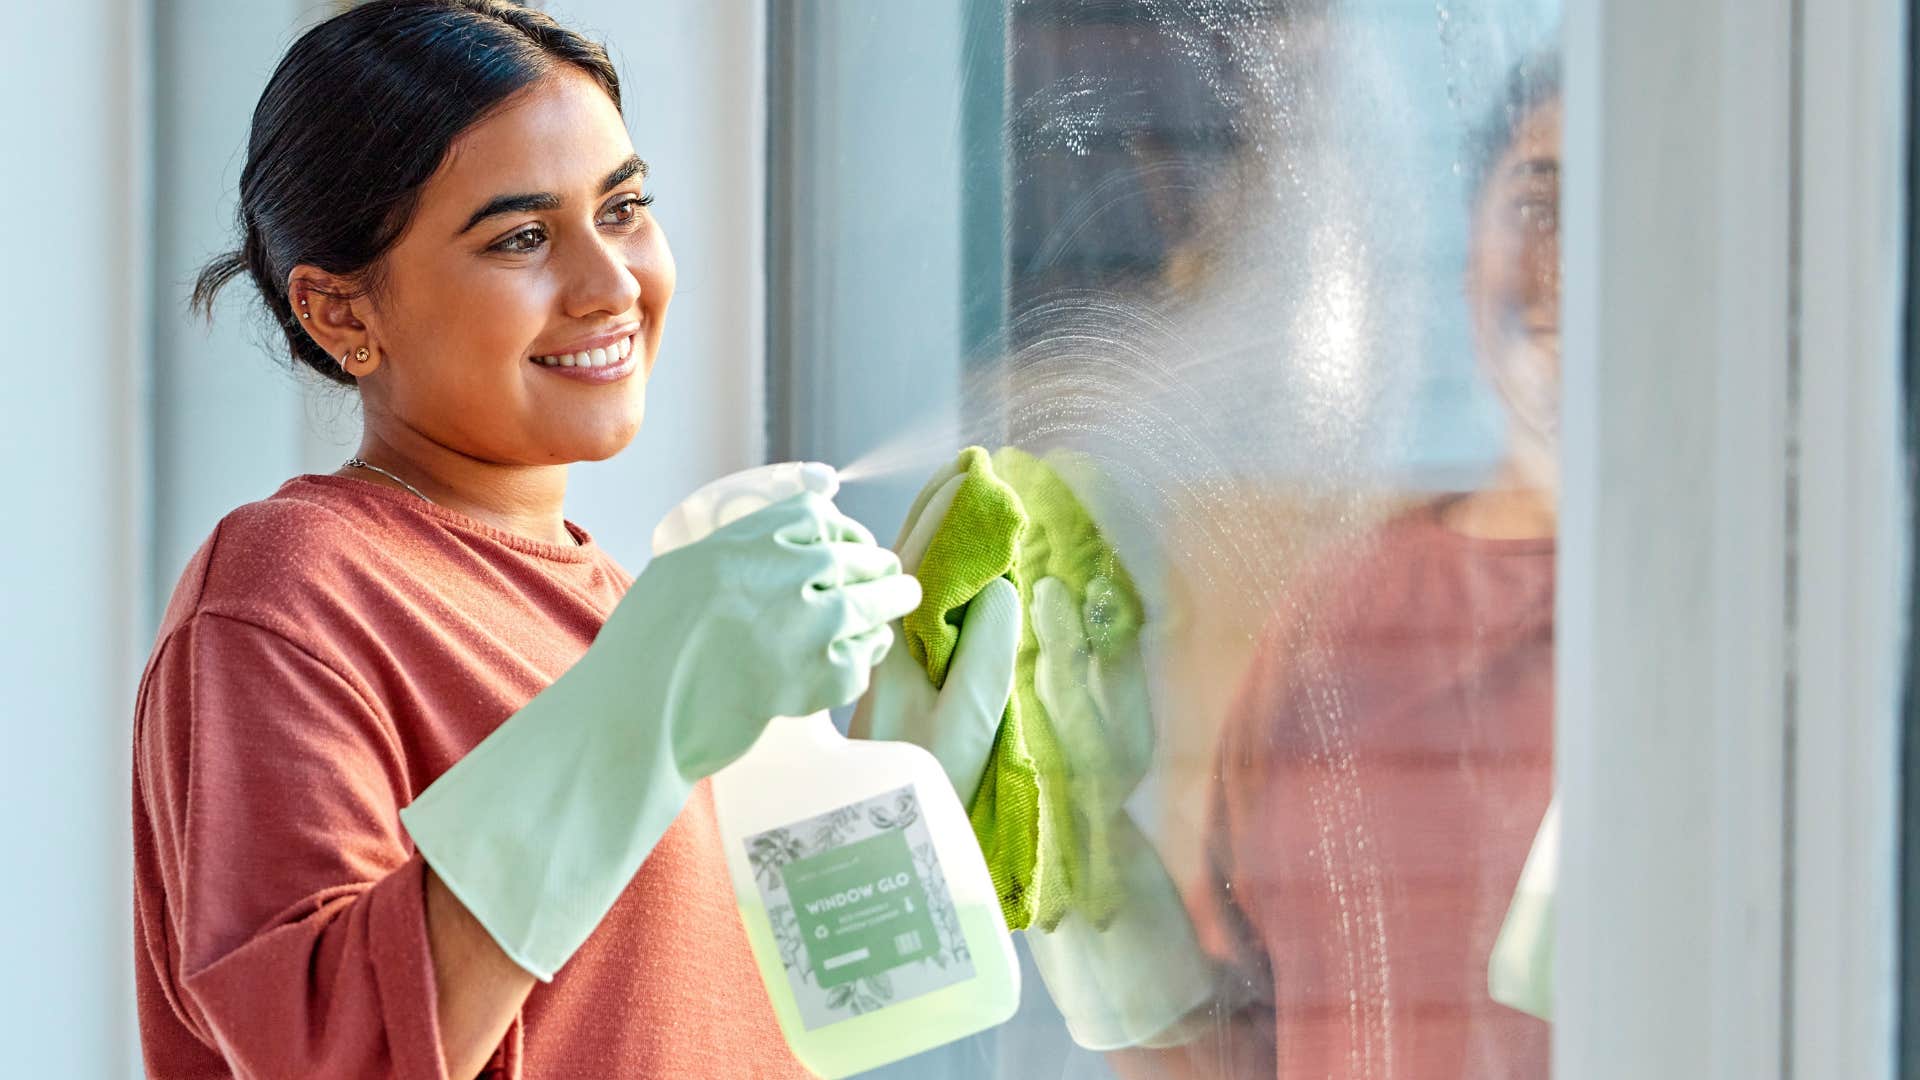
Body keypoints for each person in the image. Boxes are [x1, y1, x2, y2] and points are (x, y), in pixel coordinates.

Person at [129, 3, 1012, 1077]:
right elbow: (334, 1052)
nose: (611, 286)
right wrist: (644, 705)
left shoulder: (625, 609)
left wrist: (879, 806)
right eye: (522, 237)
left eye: (625, 207)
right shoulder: (291, 589)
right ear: (338, 314)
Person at [1104, 52, 1564, 1079]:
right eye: (1543, 206)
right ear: (1467, 259)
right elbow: (1224, 1052)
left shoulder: (1753, 641)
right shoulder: (1348, 609)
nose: (1576, 267)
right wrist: (1085, 885)